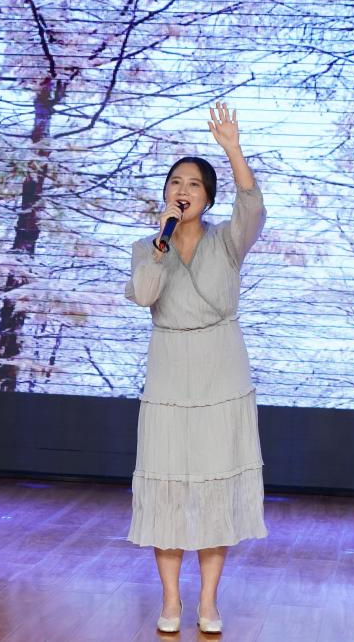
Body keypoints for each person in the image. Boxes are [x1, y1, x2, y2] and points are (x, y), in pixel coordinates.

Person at [124, 101, 268, 634]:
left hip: (220, 368)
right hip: (168, 369)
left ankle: (208, 601)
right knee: (165, 482)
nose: (182, 190)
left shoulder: (227, 241)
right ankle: (170, 602)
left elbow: (252, 206)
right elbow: (144, 295)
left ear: (208, 198)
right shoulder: (147, 246)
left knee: (213, 484)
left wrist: (232, 149)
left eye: (194, 185)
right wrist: (160, 244)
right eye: (175, 183)